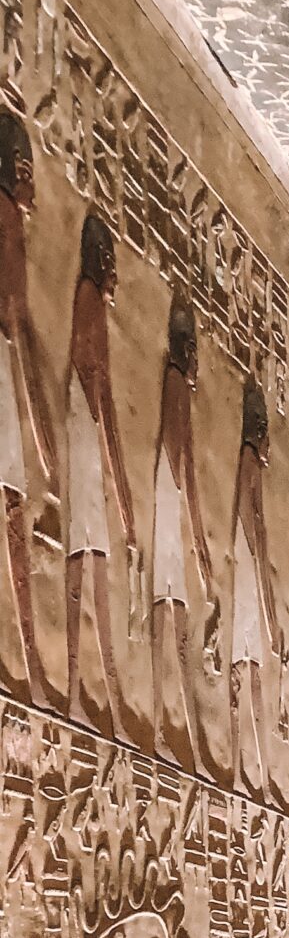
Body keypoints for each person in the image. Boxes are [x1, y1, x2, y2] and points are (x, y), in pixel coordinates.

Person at [63, 213, 136, 743]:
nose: (117, 281)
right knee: (88, 557)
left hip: (81, 431)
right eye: (113, 266)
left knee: (89, 558)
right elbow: (100, 398)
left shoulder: (87, 303)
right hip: (83, 432)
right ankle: (87, 688)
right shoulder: (89, 302)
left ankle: (95, 690)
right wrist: (125, 498)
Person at [0, 114, 54, 706]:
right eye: (24, 171)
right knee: (14, 501)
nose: (31, 187)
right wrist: (40, 428)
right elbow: (15, 313)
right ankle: (28, 653)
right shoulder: (8, 218)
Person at [151, 292, 217, 768]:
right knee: (168, 613)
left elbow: (188, 467)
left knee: (173, 619)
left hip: (171, 503)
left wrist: (198, 542)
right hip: (167, 501)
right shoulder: (175, 384)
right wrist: (195, 538)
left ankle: (175, 727)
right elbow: (183, 469)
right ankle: (160, 723)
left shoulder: (179, 389)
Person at [227, 379, 282, 797]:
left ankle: (259, 763)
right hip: (245, 568)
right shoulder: (247, 461)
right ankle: (240, 759)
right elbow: (252, 523)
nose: (269, 451)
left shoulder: (250, 466)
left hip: (248, 568)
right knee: (245, 666)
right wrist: (268, 607)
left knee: (252, 669)